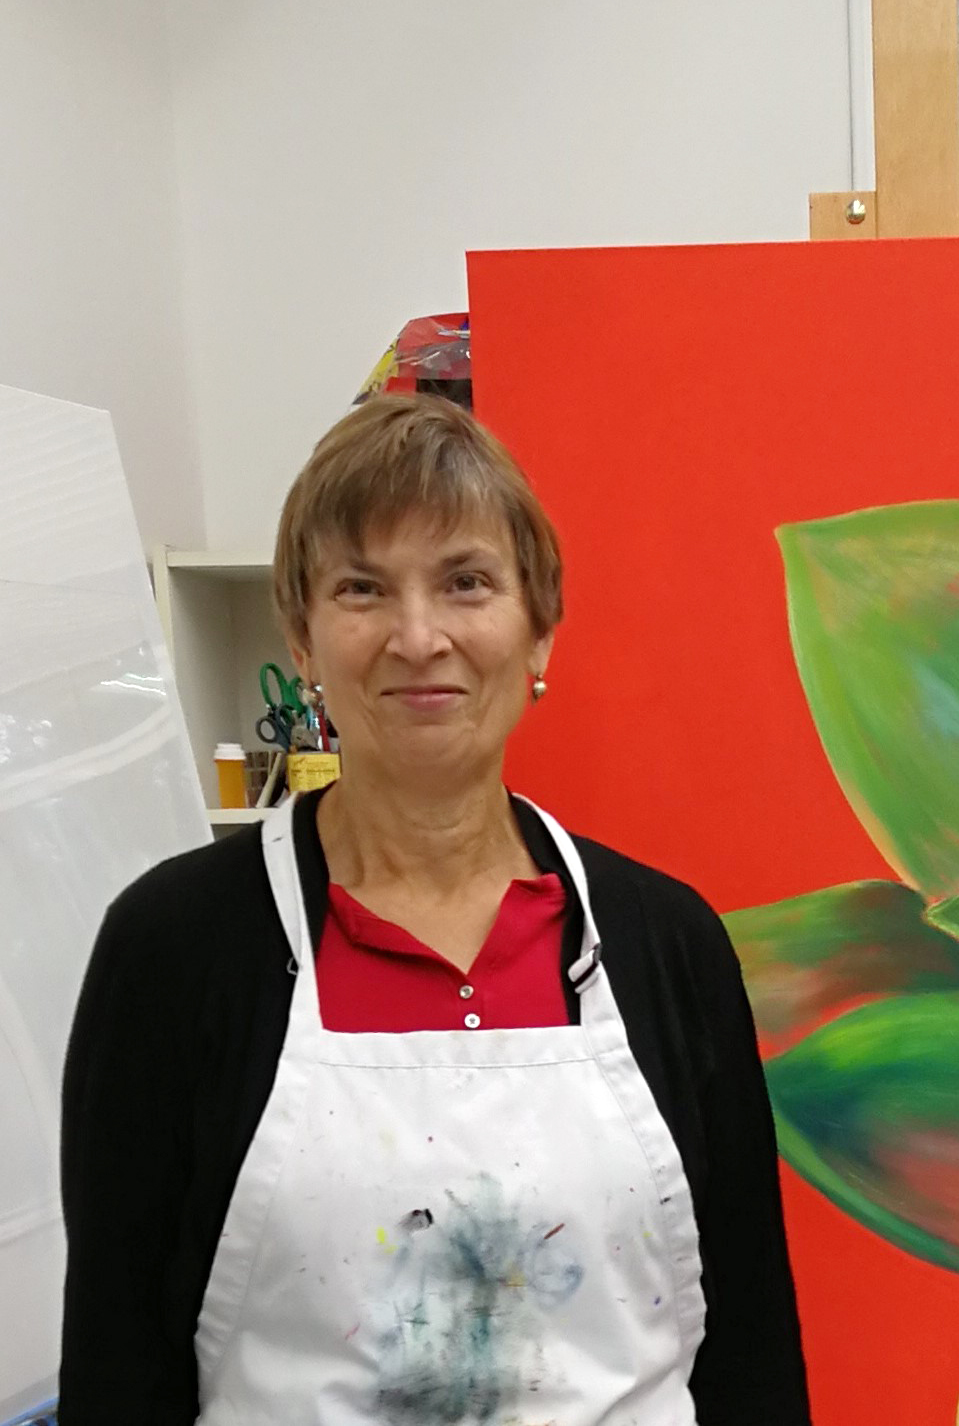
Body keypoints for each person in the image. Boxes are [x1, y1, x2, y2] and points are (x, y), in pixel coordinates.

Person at [58, 394, 810, 1425]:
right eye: (362, 589)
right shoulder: (177, 948)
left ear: (539, 631)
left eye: (466, 582)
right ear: (304, 639)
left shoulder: (667, 945)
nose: (419, 637)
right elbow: (118, 1368)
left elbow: (751, 1359)